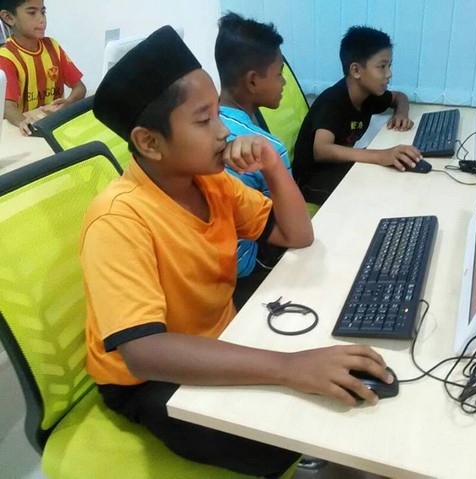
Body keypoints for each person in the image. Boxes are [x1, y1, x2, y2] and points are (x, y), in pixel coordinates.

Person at [82, 26, 393, 478]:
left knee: (330, 360)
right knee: (280, 434)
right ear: (149, 142)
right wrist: (286, 367)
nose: (223, 130)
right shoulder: (118, 219)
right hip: (149, 378)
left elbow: (297, 235)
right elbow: (143, 353)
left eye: (217, 113)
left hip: (218, 334)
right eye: (204, 120)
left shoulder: (211, 182)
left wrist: (270, 163)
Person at [293, 25, 420, 205]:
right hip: (312, 181)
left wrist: (401, 113)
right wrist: (379, 155)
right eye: (382, 67)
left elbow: (399, 97)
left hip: (338, 168)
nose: (389, 74)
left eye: (389, 66)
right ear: (356, 71)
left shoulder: (368, 95)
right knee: (376, 194)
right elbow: (321, 150)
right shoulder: (332, 101)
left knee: (389, 178)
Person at [214, 12, 291, 309]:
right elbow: (290, 225)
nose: (284, 82)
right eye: (279, 73)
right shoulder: (266, 148)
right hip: (244, 277)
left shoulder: (203, 130)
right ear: (253, 81)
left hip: (207, 270)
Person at [0, 0, 86, 135]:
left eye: (43, 12)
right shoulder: (6, 57)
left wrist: (69, 102)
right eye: (32, 13)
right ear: (9, 18)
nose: (42, 20)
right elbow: (8, 107)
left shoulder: (53, 46)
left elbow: (80, 87)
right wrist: (24, 122)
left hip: (55, 126)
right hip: (25, 132)